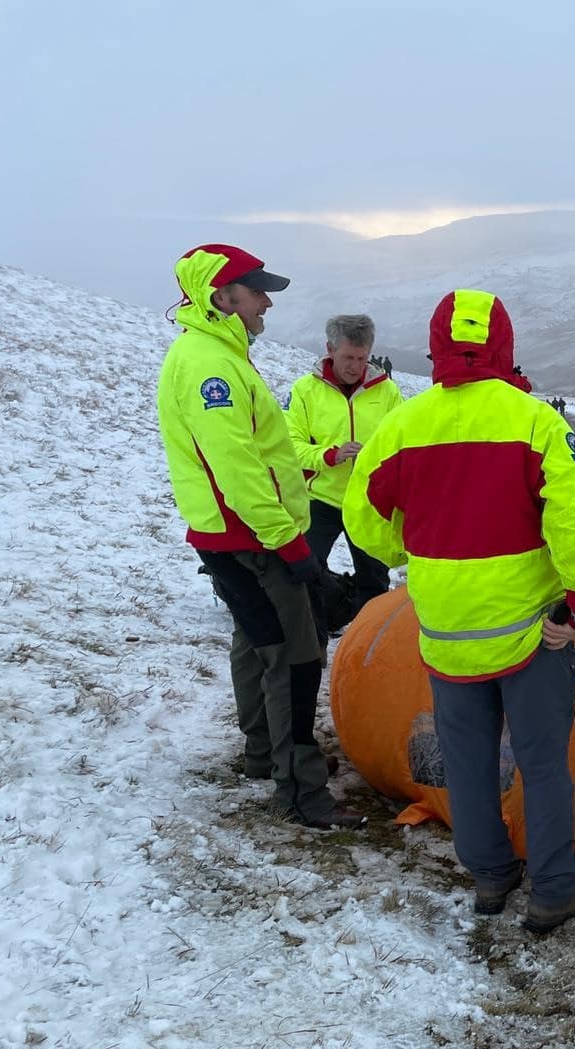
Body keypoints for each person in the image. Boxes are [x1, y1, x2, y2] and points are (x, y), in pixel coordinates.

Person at [343, 289, 575, 930]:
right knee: (542, 763)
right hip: (531, 636)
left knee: (466, 761)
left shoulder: (403, 425)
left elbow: (364, 517)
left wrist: (412, 549)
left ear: (438, 345)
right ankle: (554, 891)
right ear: (503, 344)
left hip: (445, 631)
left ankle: (491, 876)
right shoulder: (533, 421)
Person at [155, 243, 362, 829]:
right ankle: (302, 792)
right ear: (223, 297)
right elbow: (237, 466)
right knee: (297, 658)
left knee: (255, 641)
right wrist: (289, 543)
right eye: (256, 289)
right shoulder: (210, 367)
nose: (266, 300)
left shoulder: (213, 353)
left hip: (233, 537)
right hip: (254, 539)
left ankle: (262, 752)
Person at [285, 314, 403, 620]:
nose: (355, 365)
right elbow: (290, 447)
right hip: (321, 499)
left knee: (375, 582)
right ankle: (319, 640)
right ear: (330, 349)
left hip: (368, 501)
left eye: (362, 358)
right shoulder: (304, 391)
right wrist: (329, 456)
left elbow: (402, 445)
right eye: (348, 357)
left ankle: (369, 649)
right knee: (306, 571)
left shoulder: (388, 392)